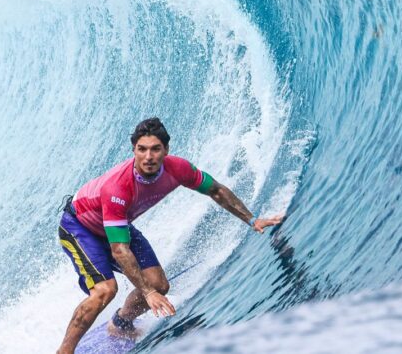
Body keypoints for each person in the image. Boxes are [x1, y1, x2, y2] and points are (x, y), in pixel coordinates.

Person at [56, 117, 283, 353]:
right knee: (105, 290)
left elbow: (216, 190)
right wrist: (147, 293)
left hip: (117, 226)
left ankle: (121, 323)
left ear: (166, 149)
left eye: (155, 149)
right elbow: (119, 250)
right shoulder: (118, 187)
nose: (148, 157)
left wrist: (252, 219)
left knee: (158, 284)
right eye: (141, 149)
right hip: (80, 227)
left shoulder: (178, 169)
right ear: (133, 150)